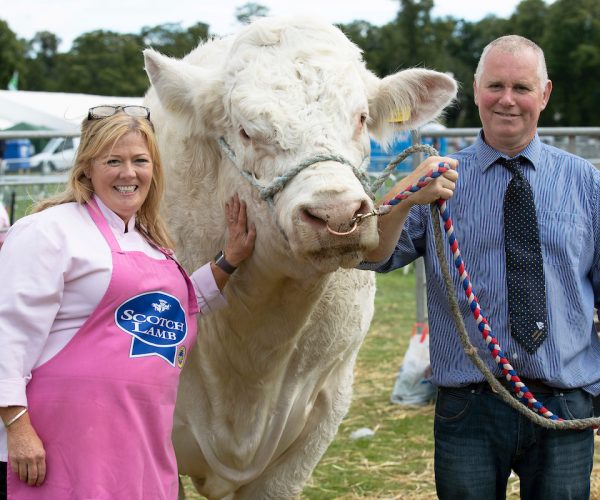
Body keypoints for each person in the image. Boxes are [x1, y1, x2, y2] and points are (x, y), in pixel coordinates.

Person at [359, 35, 600, 499]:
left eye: (522, 88)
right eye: (495, 86)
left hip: (565, 403)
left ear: (545, 94)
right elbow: (374, 254)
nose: (507, 100)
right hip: (468, 406)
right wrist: (405, 196)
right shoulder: (436, 182)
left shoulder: (586, 184)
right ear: (475, 90)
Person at [0, 104, 256, 499]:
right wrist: (17, 426)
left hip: (140, 432)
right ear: (87, 167)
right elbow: (8, 332)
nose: (128, 173)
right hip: (61, 436)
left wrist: (230, 260)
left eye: (140, 160)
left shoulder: (150, 244)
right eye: (113, 160)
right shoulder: (49, 231)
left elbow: (178, 307)